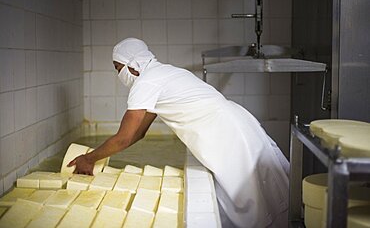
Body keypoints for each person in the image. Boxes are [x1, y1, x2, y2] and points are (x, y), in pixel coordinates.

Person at [68, 38, 289, 228]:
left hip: (226, 134)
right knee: (263, 192)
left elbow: (124, 136)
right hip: (234, 123)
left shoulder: (145, 82)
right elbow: (138, 133)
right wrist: (99, 156)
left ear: (132, 65)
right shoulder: (162, 73)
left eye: (118, 68)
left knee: (254, 199)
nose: (119, 74)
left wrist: (89, 158)